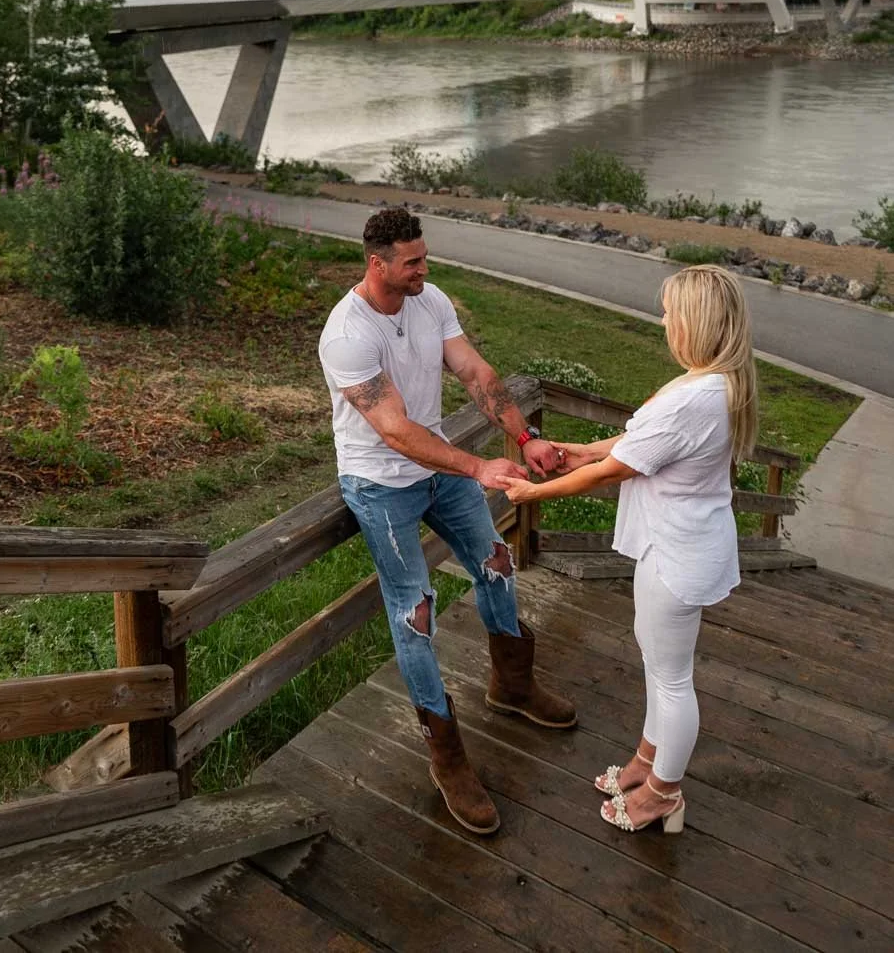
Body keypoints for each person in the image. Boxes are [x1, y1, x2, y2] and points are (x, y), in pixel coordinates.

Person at [319, 206, 577, 837]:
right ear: (376, 263)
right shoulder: (347, 333)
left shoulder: (429, 301)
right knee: (415, 611)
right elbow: (395, 431)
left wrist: (523, 438)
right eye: (412, 262)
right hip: (380, 483)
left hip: (437, 467)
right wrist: (476, 466)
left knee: (497, 562)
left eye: (424, 258)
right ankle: (447, 754)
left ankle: (511, 685)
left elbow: (475, 373)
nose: (423, 270)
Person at [502, 264, 756, 835]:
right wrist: (582, 447)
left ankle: (664, 794)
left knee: (671, 679)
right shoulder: (710, 382)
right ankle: (648, 761)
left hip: (676, 550)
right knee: (657, 662)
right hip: (673, 542)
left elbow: (614, 471)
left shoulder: (694, 396)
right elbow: (637, 442)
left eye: (671, 312)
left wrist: (534, 489)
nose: (664, 321)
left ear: (696, 321)